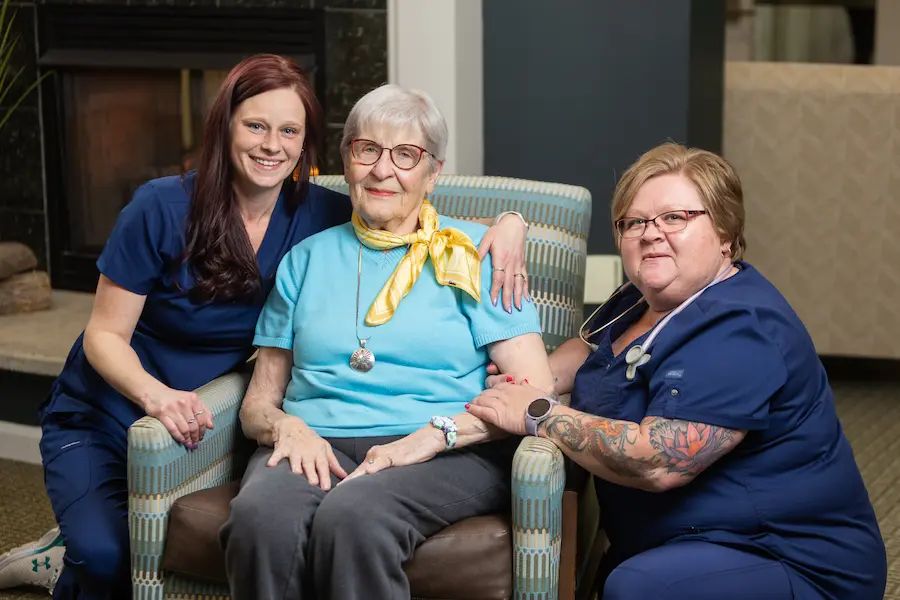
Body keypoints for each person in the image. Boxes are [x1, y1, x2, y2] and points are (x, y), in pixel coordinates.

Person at [0, 56, 530, 599]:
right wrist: (190, 405)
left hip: (201, 409)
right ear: (225, 127)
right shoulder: (165, 207)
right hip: (119, 400)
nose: (271, 145)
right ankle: (65, 555)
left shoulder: (321, 214)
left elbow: (411, 217)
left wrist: (511, 224)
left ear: (305, 147)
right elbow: (105, 336)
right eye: (255, 125)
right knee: (108, 555)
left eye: (289, 131)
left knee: (343, 519)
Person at [468, 142, 887, 600]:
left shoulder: (741, 328)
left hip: (786, 556)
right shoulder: (640, 297)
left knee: (635, 588)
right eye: (634, 222)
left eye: (674, 217)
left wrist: (536, 410)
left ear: (725, 231)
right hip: (690, 540)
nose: (651, 234)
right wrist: (532, 375)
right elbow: (591, 351)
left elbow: (659, 462)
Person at [218, 83, 555, 600]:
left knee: (354, 517)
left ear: (433, 172)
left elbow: (537, 394)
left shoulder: (477, 257)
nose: (382, 170)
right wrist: (287, 427)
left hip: (441, 450)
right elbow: (259, 400)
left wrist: (435, 435)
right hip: (316, 440)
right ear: (347, 160)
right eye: (368, 149)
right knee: (259, 519)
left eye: (405, 155)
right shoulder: (305, 259)